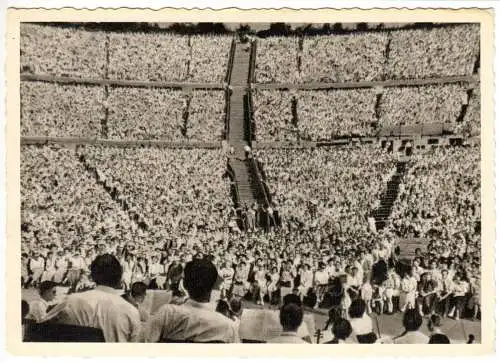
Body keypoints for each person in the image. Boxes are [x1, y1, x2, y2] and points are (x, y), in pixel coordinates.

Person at [141, 259, 239, 343]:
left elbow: (146, 346)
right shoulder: (228, 327)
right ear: (214, 285)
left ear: (184, 284)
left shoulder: (167, 313)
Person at [49, 254, 141, 342]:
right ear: (120, 277)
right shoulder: (131, 311)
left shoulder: (70, 301)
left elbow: (41, 327)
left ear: (92, 277)